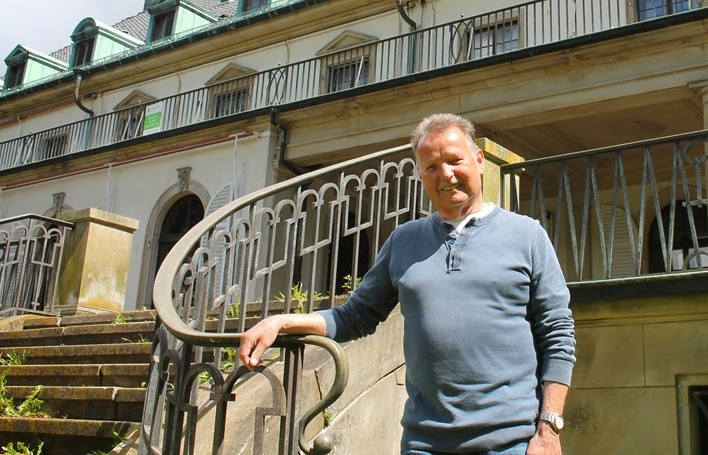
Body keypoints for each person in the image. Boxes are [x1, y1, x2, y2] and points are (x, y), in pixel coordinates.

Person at [239, 113, 575, 455]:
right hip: (423, 441)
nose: (445, 174)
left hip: (511, 442)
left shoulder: (527, 235)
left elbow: (557, 333)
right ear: (420, 176)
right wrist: (281, 321)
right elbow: (356, 316)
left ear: (478, 159)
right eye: (431, 166)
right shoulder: (404, 241)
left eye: (455, 160)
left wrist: (548, 427)